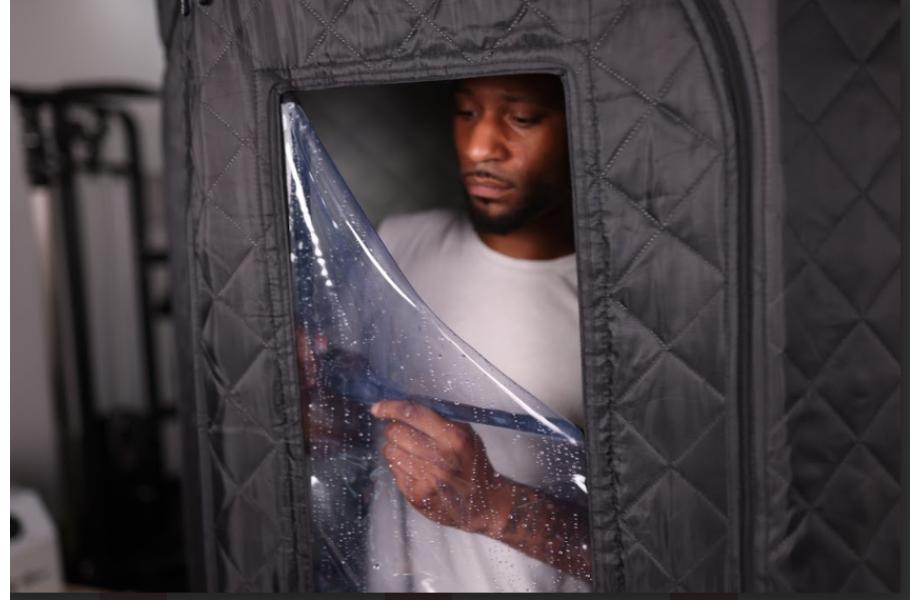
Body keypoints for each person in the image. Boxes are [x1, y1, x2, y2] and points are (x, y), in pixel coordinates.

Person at [367, 74, 590, 592]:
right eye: (467, 112)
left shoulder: (623, 302)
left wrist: (492, 505)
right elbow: (352, 428)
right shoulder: (398, 244)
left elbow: (673, 549)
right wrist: (311, 396)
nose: (478, 148)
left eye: (522, 118)